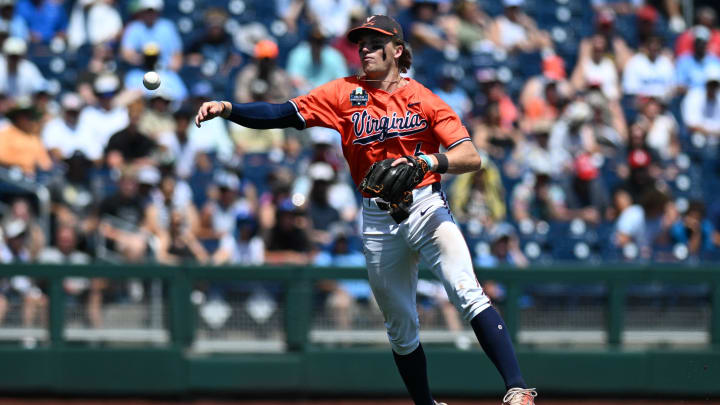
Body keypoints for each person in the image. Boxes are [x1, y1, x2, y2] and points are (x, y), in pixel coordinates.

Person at [195, 14, 536, 405]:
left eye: (376, 42)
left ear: (397, 50)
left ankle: (517, 387)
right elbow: (282, 113)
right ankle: (425, 404)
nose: (365, 49)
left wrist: (428, 162)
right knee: (400, 327)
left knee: (466, 289)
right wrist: (228, 107)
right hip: (377, 217)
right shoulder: (343, 93)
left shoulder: (423, 98)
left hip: (425, 205)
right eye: (362, 43)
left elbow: (470, 156)